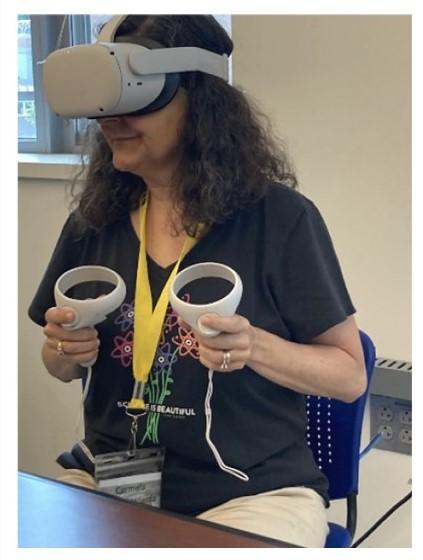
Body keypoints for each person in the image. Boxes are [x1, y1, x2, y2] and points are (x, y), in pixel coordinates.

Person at [28, 15, 366, 548]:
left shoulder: (280, 220)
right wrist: (65, 348)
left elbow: (349, 375)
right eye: (102, 105)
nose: (110, 120)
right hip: (105, 477)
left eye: (136, 98)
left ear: (201, 100)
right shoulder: (95, 219)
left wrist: (254, 346)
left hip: (249, 496)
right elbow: (59, 365)